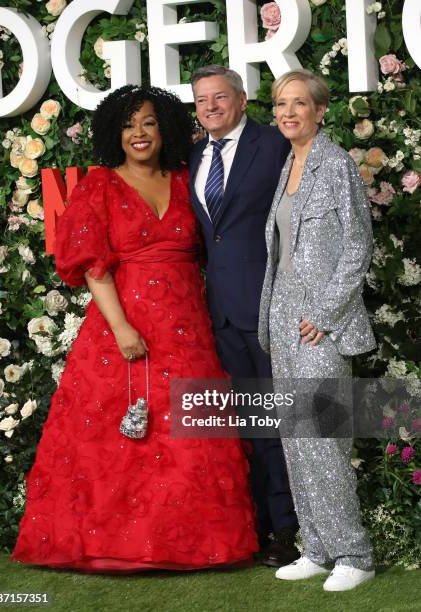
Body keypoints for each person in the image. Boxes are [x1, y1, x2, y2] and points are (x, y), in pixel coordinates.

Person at [11, 85, 258, 572]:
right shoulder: (99, 186)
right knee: (116, 436)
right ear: (113, 133)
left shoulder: (190, 181)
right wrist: (122, 327)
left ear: (164, 128)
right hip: (121, 325)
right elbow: (91, 266)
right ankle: (114, 547)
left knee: (192, 432)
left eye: (148, 122)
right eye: (127, 125)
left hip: (188, 324)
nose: (138, 133)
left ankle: (193, 546)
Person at [258, 69, 376, 591]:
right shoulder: (289, 164)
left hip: (319, 323)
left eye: (298, 104)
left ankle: (355, 553)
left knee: (323, 436)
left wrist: (325, 315)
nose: (287, 113)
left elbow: (357, 247)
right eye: (281, 104)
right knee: (295, 437)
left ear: (320, 110)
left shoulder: (336, 166)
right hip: (282, 315)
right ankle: (318, 547)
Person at [189, 65, 299, 567]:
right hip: (220, 314)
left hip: (269, 306)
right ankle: (255, 525)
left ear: (241, 100)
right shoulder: (194, 155)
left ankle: (287, 529)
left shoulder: (274, 145)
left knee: (282, 421)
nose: (210, 107)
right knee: (247, 423)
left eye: (219, 97)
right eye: (201, 100)